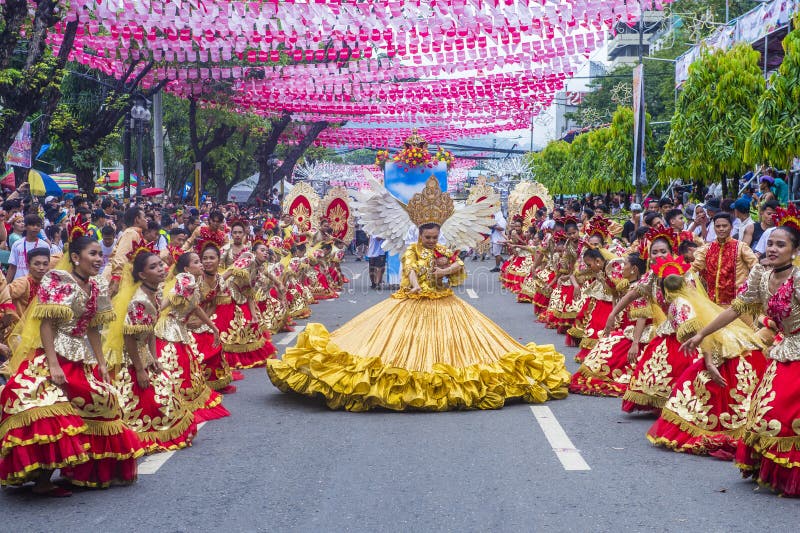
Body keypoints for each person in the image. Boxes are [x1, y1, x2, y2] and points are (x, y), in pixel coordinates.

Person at [268, 177, 570, 411]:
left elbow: (458, 264)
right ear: (419, 234)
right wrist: (414, 283)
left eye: (435, 237)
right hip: (414, 300)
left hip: (444, 303)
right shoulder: (413, 250)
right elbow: (411, 267)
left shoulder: (441, 249)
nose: (431, 241)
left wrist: (444, 271)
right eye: (428, 237)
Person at [0, 231, 144, 494]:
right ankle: (42, 480)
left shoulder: (98, 285)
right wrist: (53, 365)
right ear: (75, 257)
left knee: (104, 401)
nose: (99, 259)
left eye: (100, 254)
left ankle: (88, 471)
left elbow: (92, 328)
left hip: (80, 356)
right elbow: (46, 324)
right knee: (48, 407)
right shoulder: (59, 280)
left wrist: (101, 363)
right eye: (93, 254)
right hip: (53, 355)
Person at [681, 210, 800, 495]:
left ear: (795, 251)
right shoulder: (761, 275)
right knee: (766, 411)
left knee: (780, 410)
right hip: (784, 349)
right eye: (770, 243)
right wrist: (701, 334)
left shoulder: (798, 279)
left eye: (781, 245)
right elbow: (736, 309)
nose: (772, 249)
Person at [105, 244, 198, 452]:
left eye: (161, 264)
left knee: (166, 397)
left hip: (143, 355)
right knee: (144, 405)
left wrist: (154, 358)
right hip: (130, 360)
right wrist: (139, 369)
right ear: (141, 274)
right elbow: (129, 337)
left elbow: (150, 332)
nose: (162, 268)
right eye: (154, 267)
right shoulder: (138, 301)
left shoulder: (153, 294)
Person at [691, 213, 758, 307]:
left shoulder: (741, 247)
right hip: (713, 303)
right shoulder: (707, 248)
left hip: (737, 304)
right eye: (718, 226)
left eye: (724, 226)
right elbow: (695, 266)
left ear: (731, 227)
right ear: (714, 228)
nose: (721, 229)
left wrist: (749, 289)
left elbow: (756, 267)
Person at [6, 214, 48, 282]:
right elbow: (12, 267)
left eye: (38, 225)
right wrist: (5, 286)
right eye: (32, 225)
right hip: (19, 283)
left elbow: (47, 267)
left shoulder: (44, 246)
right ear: (25, 227)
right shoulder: (17, 244)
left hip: (36, 283)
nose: (35, 227)